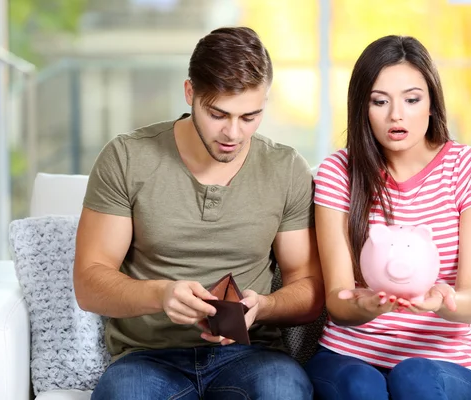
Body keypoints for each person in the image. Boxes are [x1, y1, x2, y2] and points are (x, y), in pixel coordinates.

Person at [73, 26, 324, 400]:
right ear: (190, 92)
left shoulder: (285, 168)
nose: (233, 134)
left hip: (251, 354)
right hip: (148, 358)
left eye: (250, 116)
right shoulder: (127, 158)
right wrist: (160, 295)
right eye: (218, 114)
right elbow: (89, 283)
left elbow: (309, 286)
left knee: (282, 390)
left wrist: (265, 306)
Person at [304, 35, 471, 400]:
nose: (395, 115)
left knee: (412, 376)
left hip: (441, 365)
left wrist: (440, 302)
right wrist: (365, 305)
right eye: (379, 102)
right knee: (360, 386)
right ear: (362, 108)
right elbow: (337, 301)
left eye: (412, 100)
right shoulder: (339, 171)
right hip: (349, 357)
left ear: (432, 103)